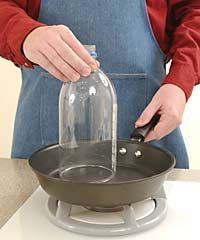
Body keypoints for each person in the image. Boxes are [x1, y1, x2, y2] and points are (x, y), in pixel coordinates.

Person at [0, 0, 200, 168]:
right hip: (41, 152)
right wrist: (24, 34)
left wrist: (181, 82)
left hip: (148, 151)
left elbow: (195, 10)